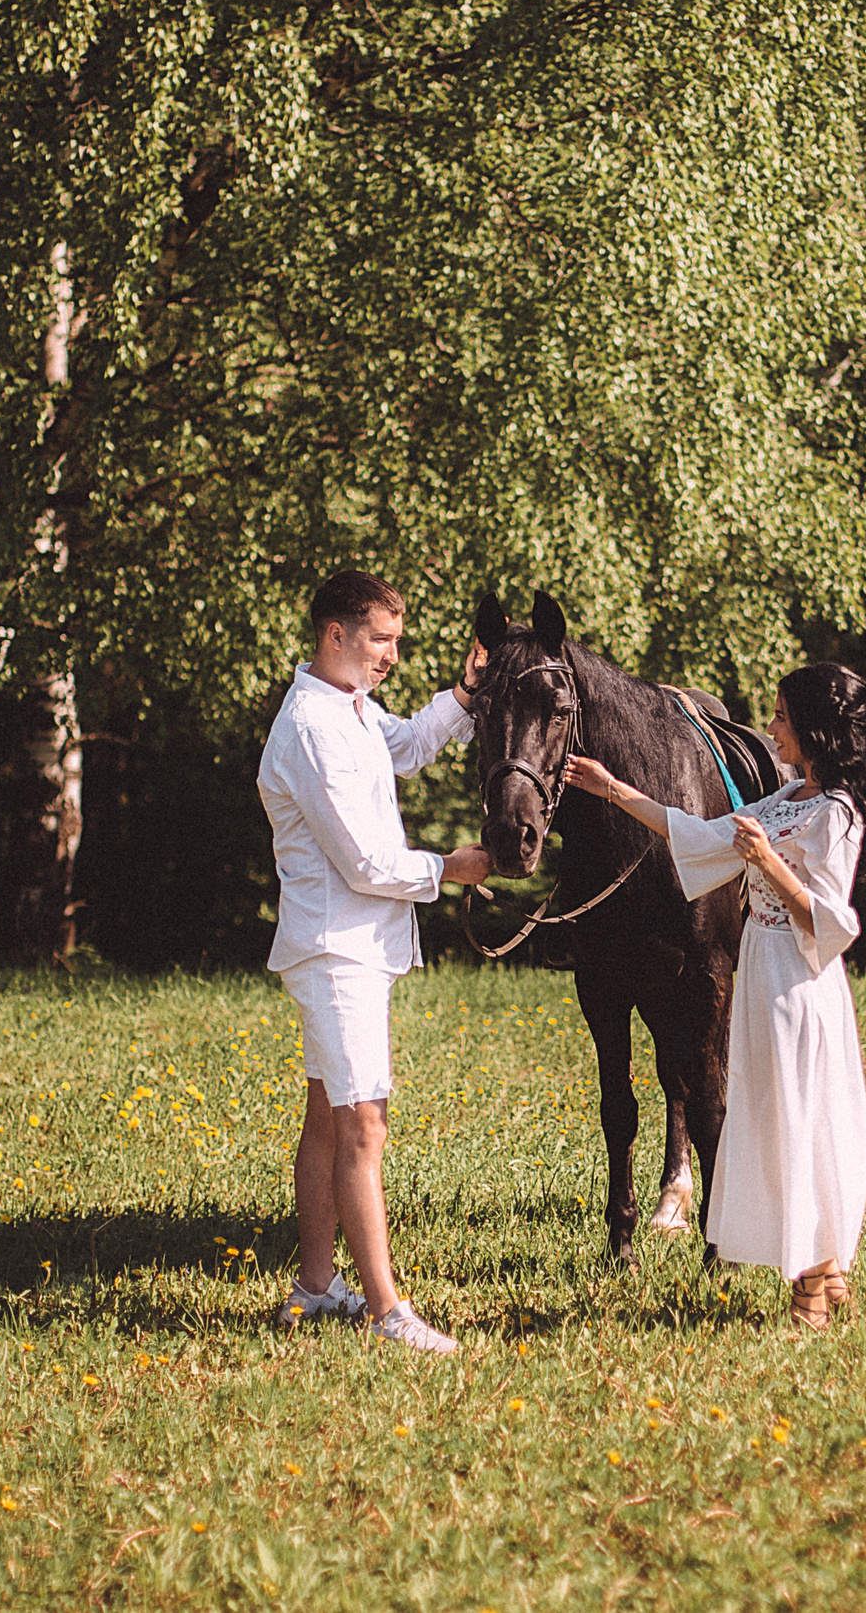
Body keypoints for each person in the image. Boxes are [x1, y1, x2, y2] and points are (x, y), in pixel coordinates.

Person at [563, 661, 866, 1328]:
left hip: (800, 984)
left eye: (781, 718)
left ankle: (810, 1283)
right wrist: (613, 790)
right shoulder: (785, 800)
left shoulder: (836, 814)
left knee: (799, 1120)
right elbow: (700, 834)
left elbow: (830, 922)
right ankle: (826, 1273)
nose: (770, 728)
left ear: (815, 729)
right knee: (774, 1119)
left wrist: (768, 860)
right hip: (762, 975)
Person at [256, 570, 492, 1354]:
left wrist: (464, 694)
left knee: (328, 1115)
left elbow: (411, 744)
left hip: (355, 948)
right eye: (382, 638)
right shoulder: (310, 730)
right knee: (364, 1123)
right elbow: (362, 861)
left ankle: (314, 1288)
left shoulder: (349, 708)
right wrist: (449, 870)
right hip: (335, 949)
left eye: (396, 638)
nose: (392, 653)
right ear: (336, 634)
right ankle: (388, 1310)